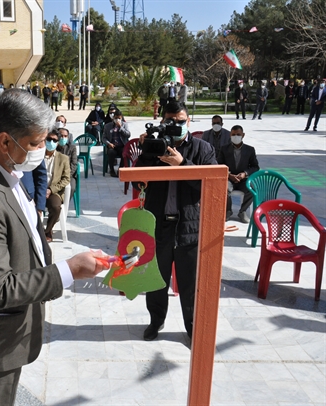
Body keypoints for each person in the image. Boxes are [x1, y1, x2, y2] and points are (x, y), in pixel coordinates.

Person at [0, 89, 105, 405]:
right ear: (5, 141)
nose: (43, 150)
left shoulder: (0, 166)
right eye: (35, 143)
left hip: (6, 326)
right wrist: (69, 270)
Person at [136, 101, 217, 341]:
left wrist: (183, 165)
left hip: (189, 225)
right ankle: (155, 321)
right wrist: (147, 150)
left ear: (189, 121)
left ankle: (192, 327)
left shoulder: (203, 149)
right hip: (159, 224)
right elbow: (138, 181)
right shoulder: (154, 146)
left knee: (190, 281)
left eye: (180, 121)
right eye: (170, 121)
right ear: (162, 121)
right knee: (156, 278)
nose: (176, 125)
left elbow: (210, 186)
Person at [217, 125, 259, 223]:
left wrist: (245, 173)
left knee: (252, 189)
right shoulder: (224, 149)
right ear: (230, 135)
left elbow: (255, 166)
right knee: (223, 188)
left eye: (238, 134)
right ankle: (228, 210)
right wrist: (229, 175)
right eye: (233, 134)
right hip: (229, 178)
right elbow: (219, 164)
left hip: (243, 179)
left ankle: (242, 211)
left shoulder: (250, 150)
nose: (236, 136)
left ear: (243, 135)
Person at [43, 130, 70, 241]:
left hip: (53, 191)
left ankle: (47, 230)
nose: (51, 142)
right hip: (38, 190)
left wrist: (51, 189)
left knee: (55, 207)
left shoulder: (63, 158)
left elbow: (66, 179)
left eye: (54, 140)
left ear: (58, 142)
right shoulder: (38, 156)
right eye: (49, 139)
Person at [102, 111, 131, 177]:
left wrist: (121, 127)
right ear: (113, 118)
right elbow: (103, 138)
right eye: (116, 118)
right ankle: (111, 170)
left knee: (125, 153)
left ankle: (120, 169)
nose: (117, 120)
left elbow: (128, 135)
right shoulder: (107, 126)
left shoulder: (125, 125)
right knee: (111, 153)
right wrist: (109, 143)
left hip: (121, 145)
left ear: (121, 118)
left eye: (119, 118)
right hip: (112, 146)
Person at [56, 127, 77, 202]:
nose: (63, 138)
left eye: (65, 136)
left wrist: (67, 175)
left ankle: (65, 204)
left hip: (68, 175)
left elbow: (74, 163)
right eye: (61, 136)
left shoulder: (72, 148)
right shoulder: (53, 147)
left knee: (71, 188)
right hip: (55, 174)